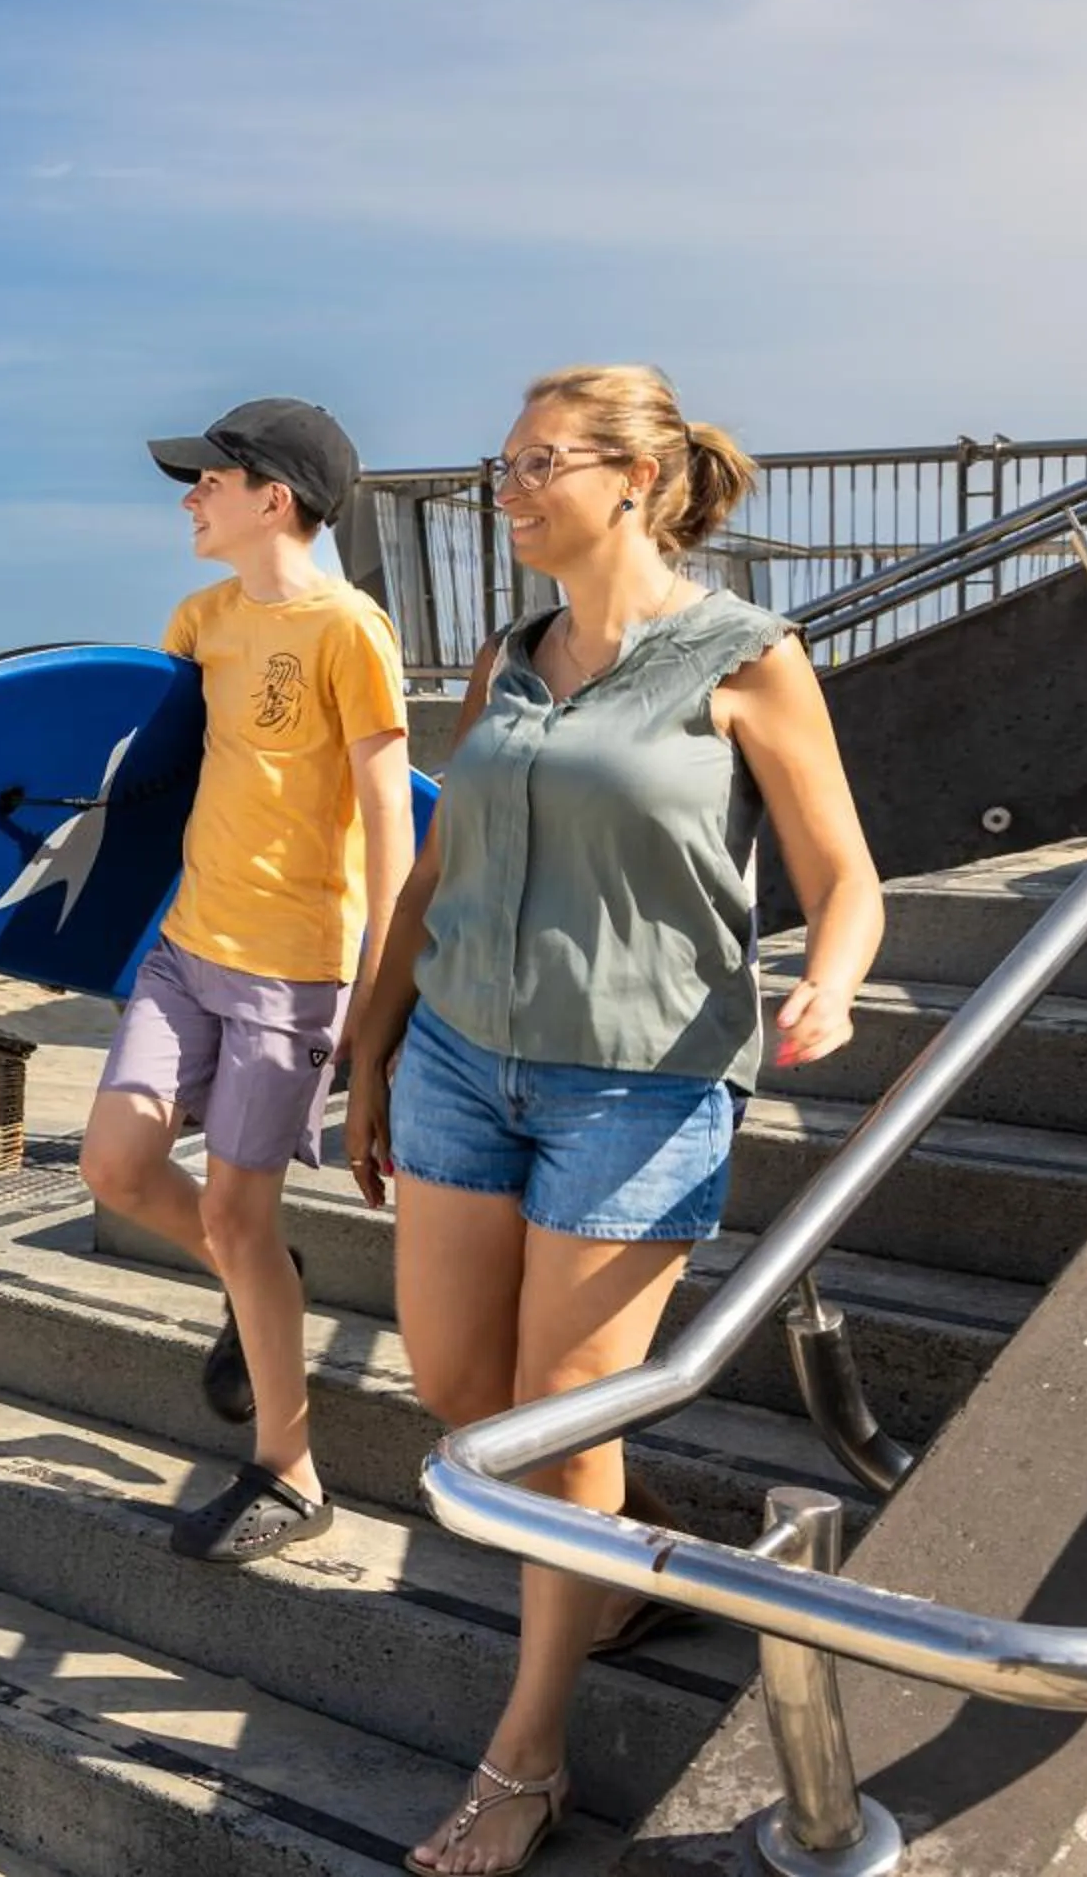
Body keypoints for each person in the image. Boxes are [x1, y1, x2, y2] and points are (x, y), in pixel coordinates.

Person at [344, 366, 881, 1874]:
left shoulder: (743, 654)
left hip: (637, 1084)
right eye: (497, 466)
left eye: (531, 464)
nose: (502, 490)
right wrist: (372, 1053)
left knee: (559, 1404)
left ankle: (526, 1753)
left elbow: (843, 871)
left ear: (632, 478)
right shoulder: (507, 659)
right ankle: (629, 1563)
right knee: (463, 1391)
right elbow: (432, 877)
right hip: (460, 1060)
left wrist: (831, 982)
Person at [78, 398, 414, 1566]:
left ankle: (292, 1469)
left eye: (208, 481)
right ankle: (258, 1273)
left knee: (235, 1210)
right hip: (187, 947)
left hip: (294, 973)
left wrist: (380, 1011)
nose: (189, 498)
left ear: (273, 496)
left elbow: (390, 825)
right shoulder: (200, 618)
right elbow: (148, 786)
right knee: (116, 1163)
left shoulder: (349, 630)